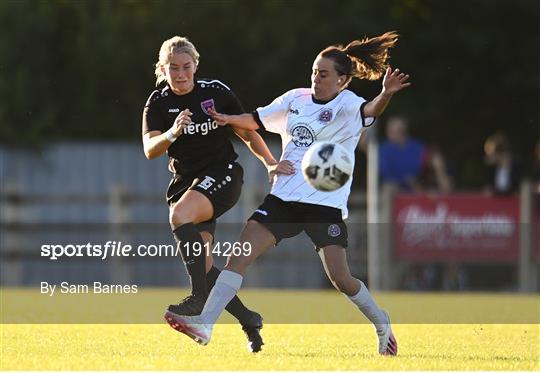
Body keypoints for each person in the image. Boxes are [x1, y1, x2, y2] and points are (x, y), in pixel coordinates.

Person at [166, 31, 410, 356]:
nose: (316, 79)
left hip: (323, 205)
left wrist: (386, 93)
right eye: (313, 72)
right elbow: (255, 119)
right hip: (283, 200)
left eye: (323, 74)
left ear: (342, 80)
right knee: (237, 258)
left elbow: (373, 110)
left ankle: (381, 322)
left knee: (342, 278)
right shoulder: (296, 98)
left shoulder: (349, 105)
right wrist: (227, 119)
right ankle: (206, 325)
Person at [142, 36, 287, 352]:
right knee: (205, 268)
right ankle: (249, 320)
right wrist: (172, 132)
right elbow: (150, 149)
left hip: (223, 175)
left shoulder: (215, 93)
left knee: (179, 215)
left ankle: (197, 301)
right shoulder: (158, 102)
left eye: (186, 67)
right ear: (163, 69)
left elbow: (246, 131)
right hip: (187, 185)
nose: (181, 74)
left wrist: (271, 163)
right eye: (173, 69)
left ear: (195, 66)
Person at [379, 116, 425, 192]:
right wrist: (405, 179)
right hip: (396, 185)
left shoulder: (417, 146)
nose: (398, 134)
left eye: (400, 131)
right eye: (393, 131)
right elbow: (387, 173)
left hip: (419, 183)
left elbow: (423, 166)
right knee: (388, 187)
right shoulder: (384, 149)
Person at [483, 131, 523, 195]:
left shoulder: (517, 165)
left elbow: (520, 188)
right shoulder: (492, 169)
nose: (489, 156)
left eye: (492, 153)